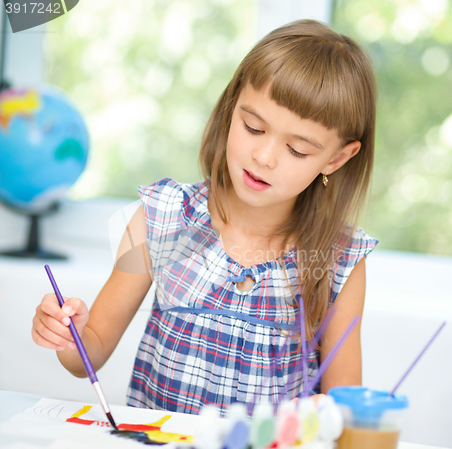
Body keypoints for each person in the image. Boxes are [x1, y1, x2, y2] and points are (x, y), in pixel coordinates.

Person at [32, 19, 378, 415]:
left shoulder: (340, 259)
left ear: (336, 158)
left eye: (297, 149)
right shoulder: (159, 217)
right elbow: (87, 357)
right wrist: (69, 334)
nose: (263, 157)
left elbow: (343, 403)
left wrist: (326, 412)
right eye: (253, 127)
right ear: (232, 108)